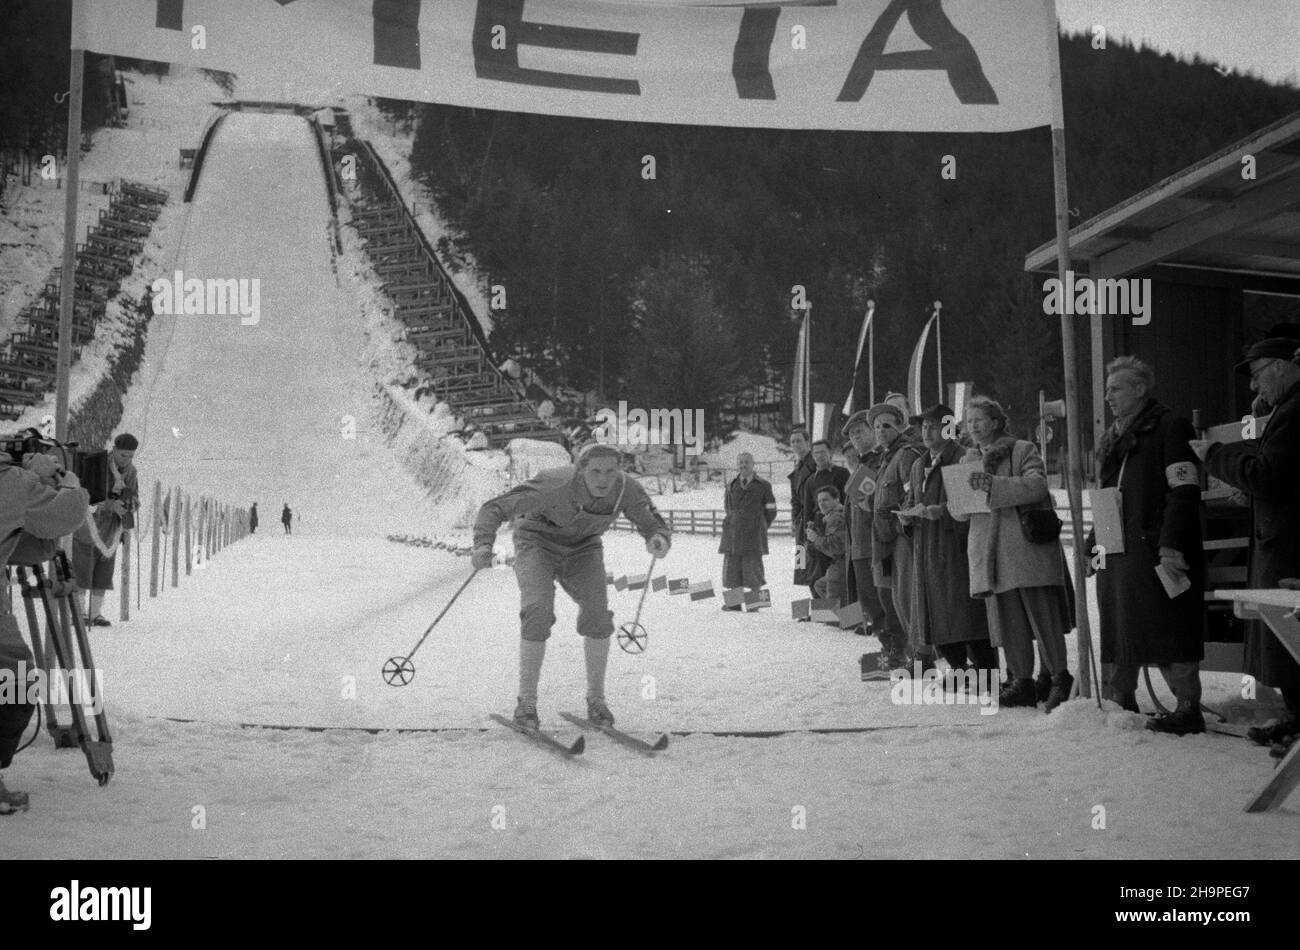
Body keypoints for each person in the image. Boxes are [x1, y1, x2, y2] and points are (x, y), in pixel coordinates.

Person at [472, 442, 671, 729]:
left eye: (610, 471)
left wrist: (658, 538)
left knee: (598, 613)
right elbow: (494, 508)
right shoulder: (554, 483)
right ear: (580, 471)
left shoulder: (626, 489)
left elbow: (652, 521)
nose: (603, 479)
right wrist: (482, 545)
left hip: (583, 548)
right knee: (537, 609)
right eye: (595, 472)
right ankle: (526, 703)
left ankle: (596, 701)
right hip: (536, 542)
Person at [1091, 357, 1205, 733]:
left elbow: (1184, 491)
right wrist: (1096, 546)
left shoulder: (1170, 427)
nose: (1109, 396)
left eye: (1116, 389)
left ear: (1140, 389)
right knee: (1120, 625)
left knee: (1168, 625)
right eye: (1107, 390)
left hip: (1156, 548)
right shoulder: (1113, 438)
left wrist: (1171, 545)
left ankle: (1188, 707)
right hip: (1118, 548)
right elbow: (1107, 495)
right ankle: (1121, 700)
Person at [1197, 337, 1300, 751]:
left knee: (1288, 638)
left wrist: (1216, 455)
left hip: (1290, 545)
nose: (1254, 388)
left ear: (1279, 366)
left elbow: (1268, 474)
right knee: (1283, 638)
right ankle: (1294, 719)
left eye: (1257, 375)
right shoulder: (1287, 410)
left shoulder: (1294, 411)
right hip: (1282, 539)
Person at [955, 396, 1074, 711]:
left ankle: (1060, 677)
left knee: (1042, 617)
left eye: (979, 419)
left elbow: (1036, 486)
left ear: (995, 421)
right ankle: (1022, 681)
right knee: (1008, 623)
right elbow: (962, 513)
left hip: (1025, 550)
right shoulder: (967, 461)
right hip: (990, 554)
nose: (974, 426)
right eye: (969, 422)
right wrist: (958, 501)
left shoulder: (1022, 449)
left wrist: (993, 484)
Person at [1, 439, 90, 814]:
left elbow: (23, 546)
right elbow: (68, 513)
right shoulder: (11, 481)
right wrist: (65, 481)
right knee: (17, 682)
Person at [901, 404, 996, 677]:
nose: (926, 431)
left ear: (948, 428)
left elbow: (972, 505)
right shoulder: (919, 464)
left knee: (969, 615)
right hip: (927, 550)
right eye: (923, 426)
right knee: (937, 616)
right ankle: (958, 669)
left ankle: (985, 673)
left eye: (933, 426)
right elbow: (911, 501)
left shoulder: (963, 458)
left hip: (957, 549)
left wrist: (940, 511)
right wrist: (907, 517)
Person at [867, 402, 922, 672]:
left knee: (908, 598)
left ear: (900, 426)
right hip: (884, 539)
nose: (880, 431)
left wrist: (902, 526)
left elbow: (912, 496)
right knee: (896, 600)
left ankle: (922, 656)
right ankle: (913, 654)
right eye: (876, 427)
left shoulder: (905, 455)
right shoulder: (885, 458)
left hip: (902, 538)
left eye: (886, 425)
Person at [71, 433, 139, 628]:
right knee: (82, 568)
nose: (127, 460)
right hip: (89, 524)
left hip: (111, 528)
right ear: (114, 450)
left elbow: (134, 494)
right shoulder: (97, 465)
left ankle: (95, 613)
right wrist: (110, 505)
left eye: (131, 456)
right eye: (124, 455)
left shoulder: (132, 472)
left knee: (103, 571)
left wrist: (131, 504)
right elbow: (86, 496)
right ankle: (78, 612)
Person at [842, 412, 888, 659]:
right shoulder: (863, 465)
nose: (855, 437)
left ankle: (898, 650)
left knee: (885, 601)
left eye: (860, 431)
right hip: (859, 546)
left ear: (873, 431)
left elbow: (871, 503)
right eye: (851, 433)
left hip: (876, 544)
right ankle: (888, 647)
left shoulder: (881, 461)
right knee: (871, 603)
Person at [718, 452, 777, 611]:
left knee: (754, 571)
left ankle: (755, 604)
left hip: (754, 534)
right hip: (733, 534)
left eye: (747, 462)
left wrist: (761, 525)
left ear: (753, 464)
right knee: (732, 570)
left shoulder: (764, 485)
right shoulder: (731, 485)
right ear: (738, 465)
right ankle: (733, 604)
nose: (743, 465)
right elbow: (727, 508)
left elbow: (771, 509)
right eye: (741, 462)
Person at [799, 440, 850, 596]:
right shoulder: (810, 480)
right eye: (815, 453)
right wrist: (807, 535)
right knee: (816, 575)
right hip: (818, 530)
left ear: (830, 453)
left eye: (822, 452)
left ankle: (841, 616)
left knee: (837, 578)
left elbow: (847, 500)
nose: (819, 456)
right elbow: (807, 508)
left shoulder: (842, 473)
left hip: (838, 527)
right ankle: (824, 615)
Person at [806, 485, 847, 603]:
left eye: (825, 500)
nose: (822, 504)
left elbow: (836, 547)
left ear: (837, 499)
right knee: (820, 585)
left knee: (836, 596)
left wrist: (815, 538)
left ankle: (842, 620)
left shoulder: (836, 517)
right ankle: (852, 619)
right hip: (840, 563)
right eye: (819, 501)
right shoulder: (831, 516)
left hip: (841, 563)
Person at [787, 429, 817, 591]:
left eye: (799, 440)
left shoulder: (815, 464)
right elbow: (795, 500)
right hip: (801, 524)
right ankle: (818, 613)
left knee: (816, 569)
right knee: (804, 569)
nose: (795, 444)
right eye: (792, 441)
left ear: (807, 442)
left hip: (814, 521)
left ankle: (824, 615)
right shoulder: (798, 469)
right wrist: (794, 521)